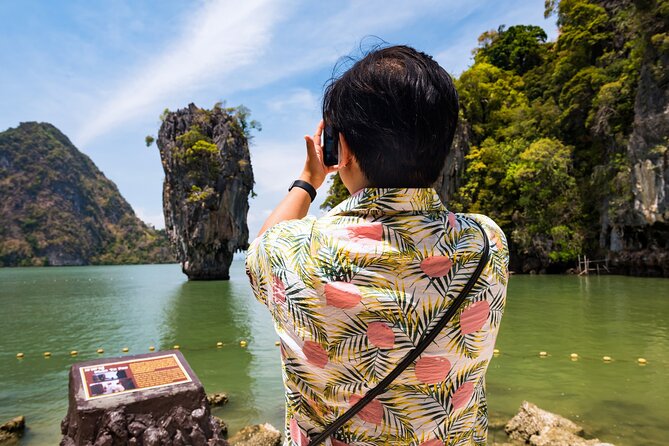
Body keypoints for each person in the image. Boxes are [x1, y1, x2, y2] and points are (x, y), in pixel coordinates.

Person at [245, 45, 509, 446]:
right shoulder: (487, 242)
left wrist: (308, 180)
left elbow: (260, 249)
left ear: (342, 149)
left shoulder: (292, 250)